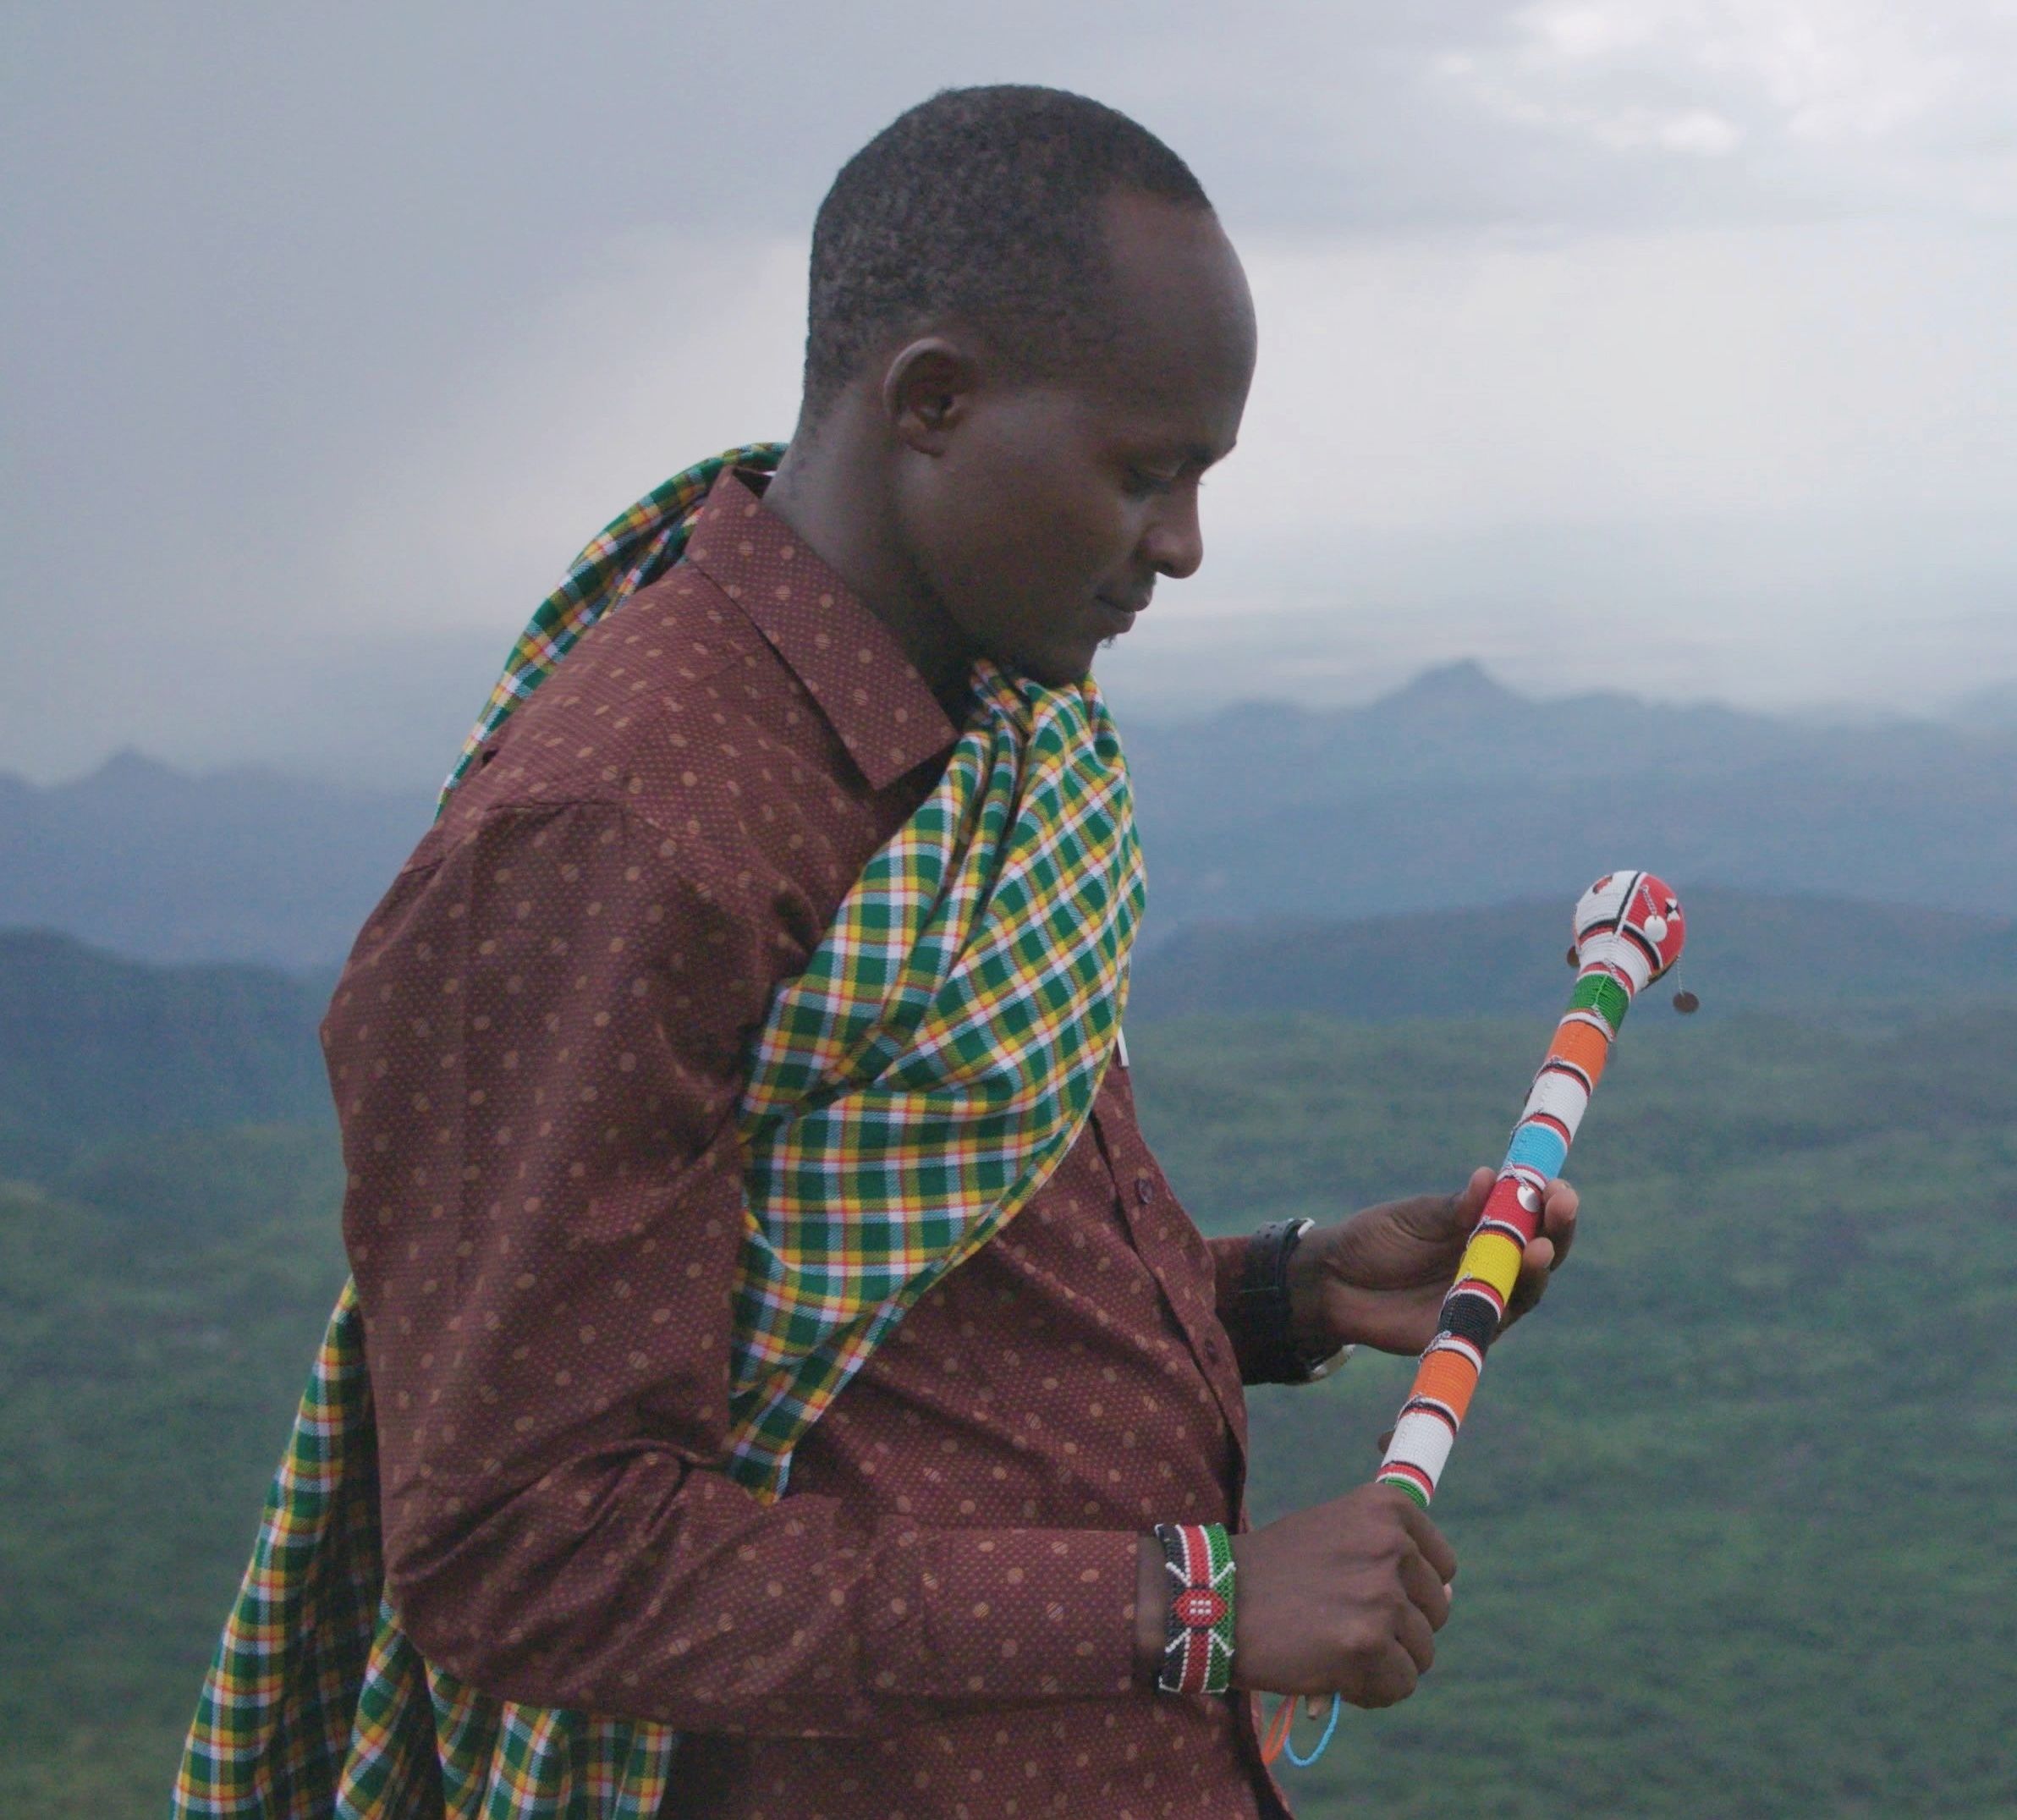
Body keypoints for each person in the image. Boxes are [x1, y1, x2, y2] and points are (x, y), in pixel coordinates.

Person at [178, 85, 1575, 1820]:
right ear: (931, 403)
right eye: (1143, 472)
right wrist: (1192, 1598)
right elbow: (520, 1547)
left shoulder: (979, 723)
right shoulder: (623, 830)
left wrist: (1289, 1290)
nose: (1183, 547)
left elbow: (885, 1317)